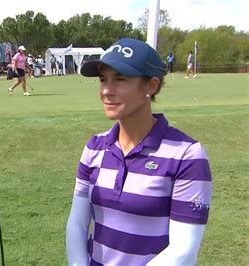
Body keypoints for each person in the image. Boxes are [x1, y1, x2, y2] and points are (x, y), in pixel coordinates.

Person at [66, 38, 212, 265]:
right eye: (103, 80)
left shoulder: (187, 155)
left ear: (151, 86)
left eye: (120, 80)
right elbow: (77, 224)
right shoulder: (94, 147)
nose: (106, 90)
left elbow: (183, 251)